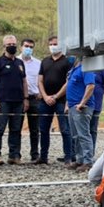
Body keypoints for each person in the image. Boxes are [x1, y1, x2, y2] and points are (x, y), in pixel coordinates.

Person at [0, 34, 28, 165]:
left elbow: (24, 81)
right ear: (4, 46)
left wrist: (26, 98)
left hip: (18, 101)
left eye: (14, 45)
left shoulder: (20, 63)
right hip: (3, 101)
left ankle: (14, 155)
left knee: (16, 129)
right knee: (0, 128)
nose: (12, 47)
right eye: (9, 45)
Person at [39, 35, 72, 165]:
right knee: (43, 129)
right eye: (51, 44)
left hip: (61, 100)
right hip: (45, 100)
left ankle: (68, 156)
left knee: (65, 129)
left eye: (56, 44)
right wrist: (45, 96)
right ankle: (43, 157)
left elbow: (68, 81)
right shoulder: (45, 61)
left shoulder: (67, 61)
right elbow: (40, 80)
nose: (53, 46)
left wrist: (56, 96)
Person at [65, 54, 96, 171]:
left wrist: (82, 103)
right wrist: (68, 104)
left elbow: (91, 86)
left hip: (81, 107)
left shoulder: (86, 68)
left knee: (83, 135)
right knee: (76, 135)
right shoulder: (74, 70)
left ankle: (88, 161)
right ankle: (80, 159)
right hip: (73, 106)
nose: (69, 56)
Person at [19, 38, 43, 163]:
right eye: (26, 46)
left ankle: (35, 154)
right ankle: (15, 154)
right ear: (21, 47)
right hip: (19, 99)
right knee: (16, 127)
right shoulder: (16, 61)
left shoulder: (38, 63)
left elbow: (41, 80)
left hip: (35, 98)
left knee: (35, 129)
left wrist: (41, 93)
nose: (28, 49)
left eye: (31, 47)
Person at [89, 68, 104, 154]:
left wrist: (99, 93)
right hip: (83, 104)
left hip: (96, 104)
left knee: (92, 129)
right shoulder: (82, 68)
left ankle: (91, 152)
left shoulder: (102, 70)